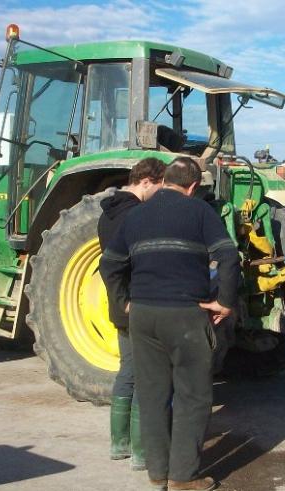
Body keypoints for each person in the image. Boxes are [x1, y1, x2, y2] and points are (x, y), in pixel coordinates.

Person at [100, 157, 239, 491]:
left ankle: (157, 474)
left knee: (152, 395)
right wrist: (225, 302)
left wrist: (124, 303)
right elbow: (228, 255)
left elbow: (110, 265)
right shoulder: (200, 212)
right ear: (192, 186)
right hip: (186, 316)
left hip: (144, 317)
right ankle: (183, 478)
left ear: (164, 181)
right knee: (192, 397)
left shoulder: (135, 215)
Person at [97, 157, 166, 471]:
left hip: (118, 303)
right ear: (147, 181)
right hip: (138, 303)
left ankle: (118, 444)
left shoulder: (107, 213)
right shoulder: (138, 216)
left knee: (128, 371)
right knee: (146, 377)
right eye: (161, 187)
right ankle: (142, 453)